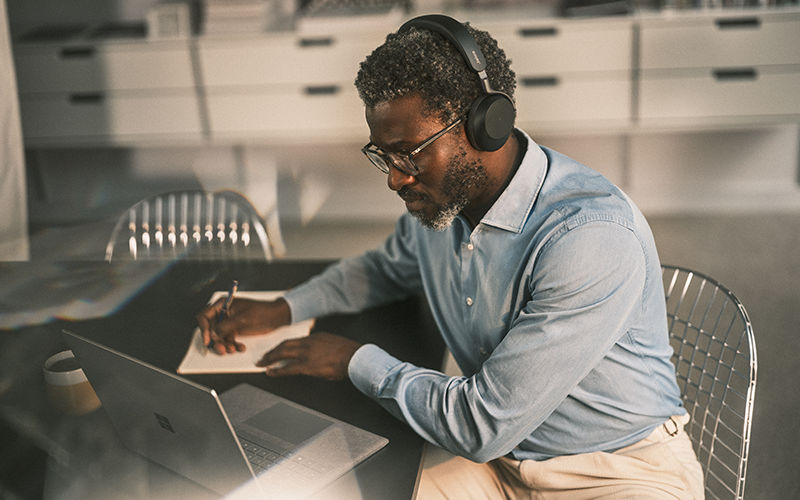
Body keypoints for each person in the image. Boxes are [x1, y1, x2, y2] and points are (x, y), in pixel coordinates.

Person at [197, 14, 704, 499]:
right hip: (501, 467)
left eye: (409, 153)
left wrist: (353, 360)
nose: (396, 178)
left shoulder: (589, 237)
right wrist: (285, 308)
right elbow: (382, 270)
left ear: (487, 125)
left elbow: (481, 423)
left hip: (617, 472)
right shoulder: (441, 205)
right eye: (384, 155)